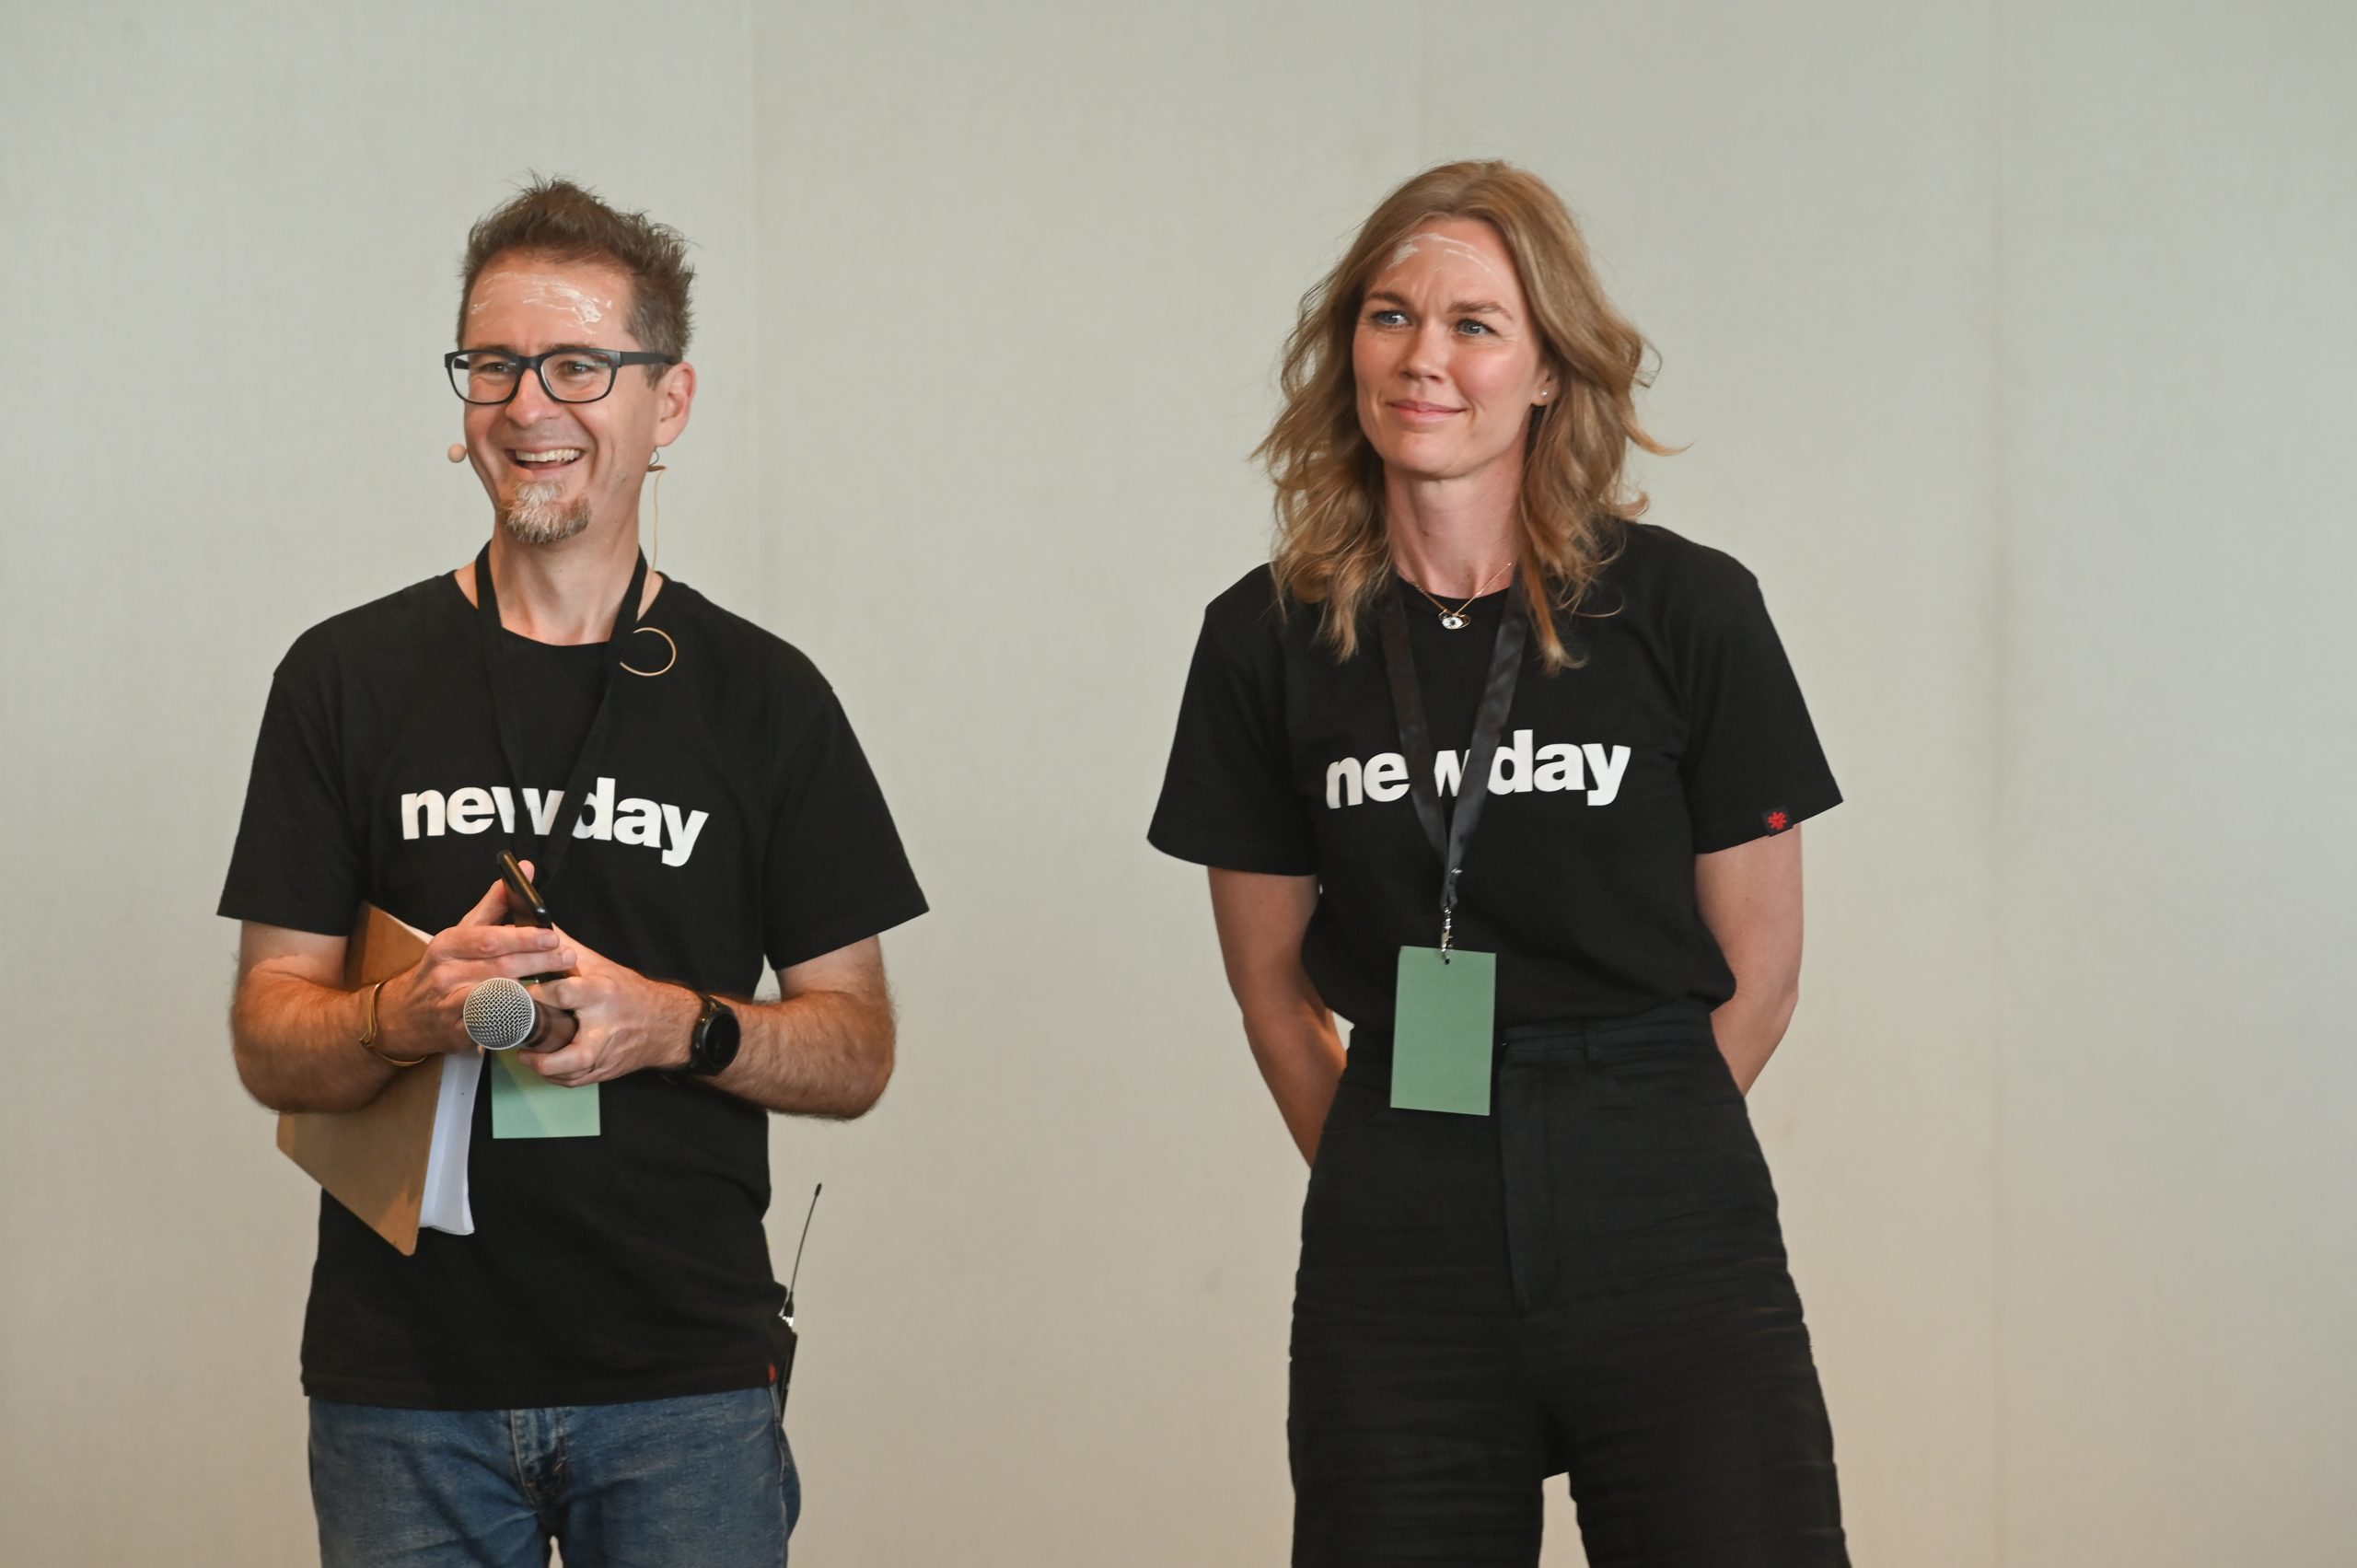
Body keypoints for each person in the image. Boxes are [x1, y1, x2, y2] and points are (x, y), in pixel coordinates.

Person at [1148, 160, 1849, 1566]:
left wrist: (1626, 1160)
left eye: (1476, 324)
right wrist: (1402, 1171)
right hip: (1401, 1202)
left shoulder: (1688, 610)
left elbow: (1761, 976)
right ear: (1346, 347)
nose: (1427, 359)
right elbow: (1275, 998)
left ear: (1547, 372)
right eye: (1391, 316)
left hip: (1662, 1183)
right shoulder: (1264, 640)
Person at [218, 178, 925, 1567]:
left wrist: (677, 1022)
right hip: (403, 1393)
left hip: (685, 1387)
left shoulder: (765, 699)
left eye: (579, 365)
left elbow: (858, 1048)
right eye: (494, 364)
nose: (530, 404)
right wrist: (398, 1015)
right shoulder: (344, 680)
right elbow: (267, 1037)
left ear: (668, 403)